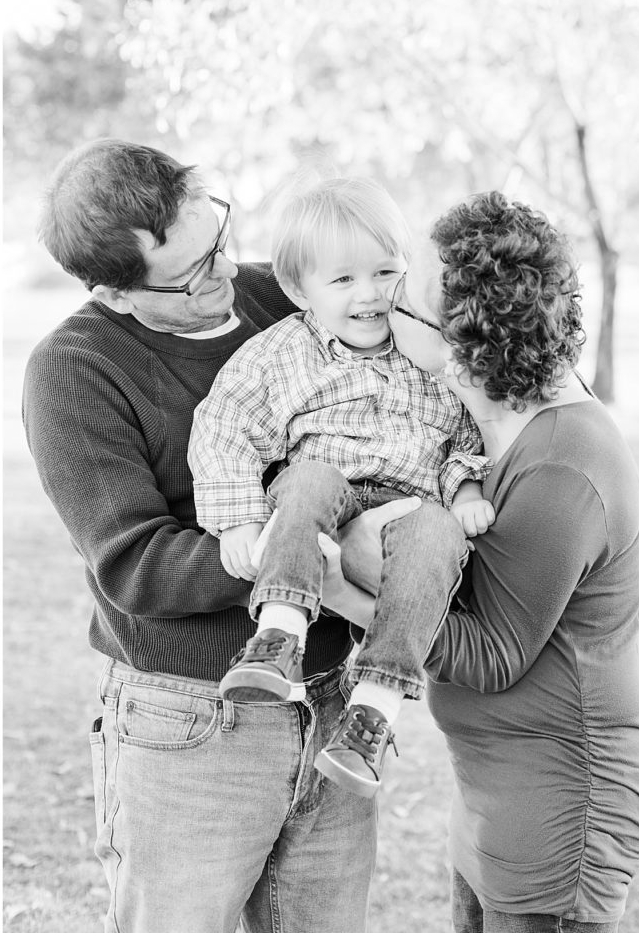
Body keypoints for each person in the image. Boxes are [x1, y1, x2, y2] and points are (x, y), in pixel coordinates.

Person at [21, 138, 419, 933]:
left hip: (330, 702)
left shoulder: (290, 293)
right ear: (111, 289)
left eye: (219, 239)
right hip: (190, 727)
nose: (225, 274)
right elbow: (135, 564)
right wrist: (293, 549)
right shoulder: (75, 370)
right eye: (192, 271)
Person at [318, 190, 639, 933]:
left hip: (561, 807)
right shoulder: (496, 430)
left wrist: (341, 587)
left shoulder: (561, 464)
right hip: (500, 793)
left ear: (455, 341)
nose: (382, 302)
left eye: (401, 295)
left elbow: (491, 656)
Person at [188, 176, 493, 798]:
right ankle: (278, 634)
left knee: (437, 532)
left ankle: (374, 711)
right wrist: (240, 520)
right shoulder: (281, 354)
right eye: (344, 280)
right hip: (324, 497)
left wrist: (463, 495)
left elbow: (465, 435)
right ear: (299, 290)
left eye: (386, 272)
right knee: (309, 478)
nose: (371, 295)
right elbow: (225, 426)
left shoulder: (427, 350)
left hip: (410, 505)